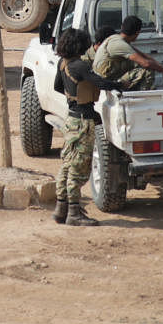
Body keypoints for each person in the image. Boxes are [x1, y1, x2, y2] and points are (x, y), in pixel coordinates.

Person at [52, 28, 124, 227]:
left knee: (67, 164)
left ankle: (62, 208)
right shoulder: (79, 65)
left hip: (71, 120)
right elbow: (99, 82)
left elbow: (57, 87)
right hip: (83, 122)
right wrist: (119, 85)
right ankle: (74, 213)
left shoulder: (62, 63)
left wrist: (72, 94)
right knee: (79, 167)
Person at [93, 15, 163, 90]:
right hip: (104, 80)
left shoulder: (117, 39)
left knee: (139, 63)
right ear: (137, 33)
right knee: (147, 71)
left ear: (122, 27)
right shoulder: (120, 44)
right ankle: (142, 98)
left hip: (104, 78)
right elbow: (146, 63)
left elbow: (144, 56)